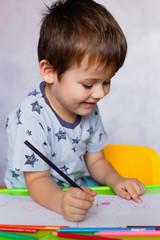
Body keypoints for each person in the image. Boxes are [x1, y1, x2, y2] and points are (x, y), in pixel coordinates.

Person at [5, 0, 146, 222]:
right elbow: (35, 182)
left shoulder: (87, 105)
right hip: (29, 200)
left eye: (107, 81)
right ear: (49, 72)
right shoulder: (30, 119)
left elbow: (96, 161)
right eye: (89, 84)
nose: (100, 93)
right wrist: (61, 202)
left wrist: (116, 180)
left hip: (74, 191)